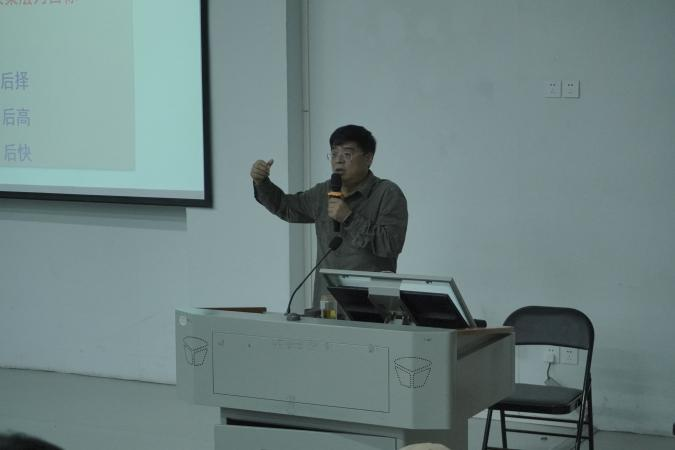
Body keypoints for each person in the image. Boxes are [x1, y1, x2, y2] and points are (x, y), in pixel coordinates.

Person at [251, 124, 408, 310]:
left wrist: (349, 218)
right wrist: (262, 182)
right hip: (328, 304)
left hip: (372, 307)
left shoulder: (387, 193)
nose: (338, 160)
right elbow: (285, 207)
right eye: (334, 154)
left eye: (347, 154)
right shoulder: (323, 192)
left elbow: (390, 245)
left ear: (368, 158)